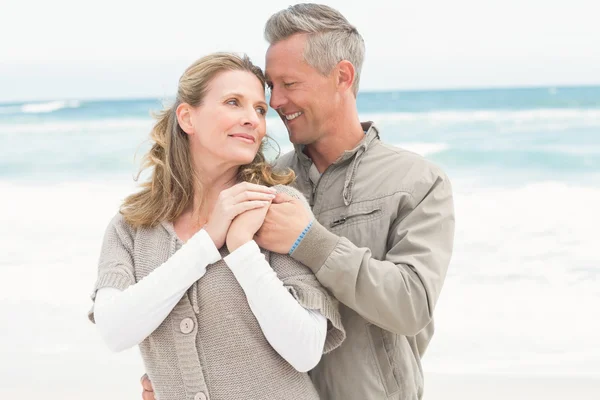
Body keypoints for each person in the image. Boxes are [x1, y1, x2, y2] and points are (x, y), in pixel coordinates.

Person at [141, 4, 455, 400]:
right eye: (271, 86)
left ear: (342, 76)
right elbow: (210, 299)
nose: (274, 101)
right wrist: (173, 375)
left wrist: (309, 240)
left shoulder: (418, 181)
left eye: (289, 84)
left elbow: (410, 307)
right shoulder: (259, 182)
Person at [89, 52, 345, 400]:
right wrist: (207, 241)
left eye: (259, 109)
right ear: (187, 117)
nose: (252, 119)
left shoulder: (276, 206)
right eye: (233, 103)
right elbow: (115, 331)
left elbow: (305, 349)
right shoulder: (131, 226)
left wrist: (242, 249)